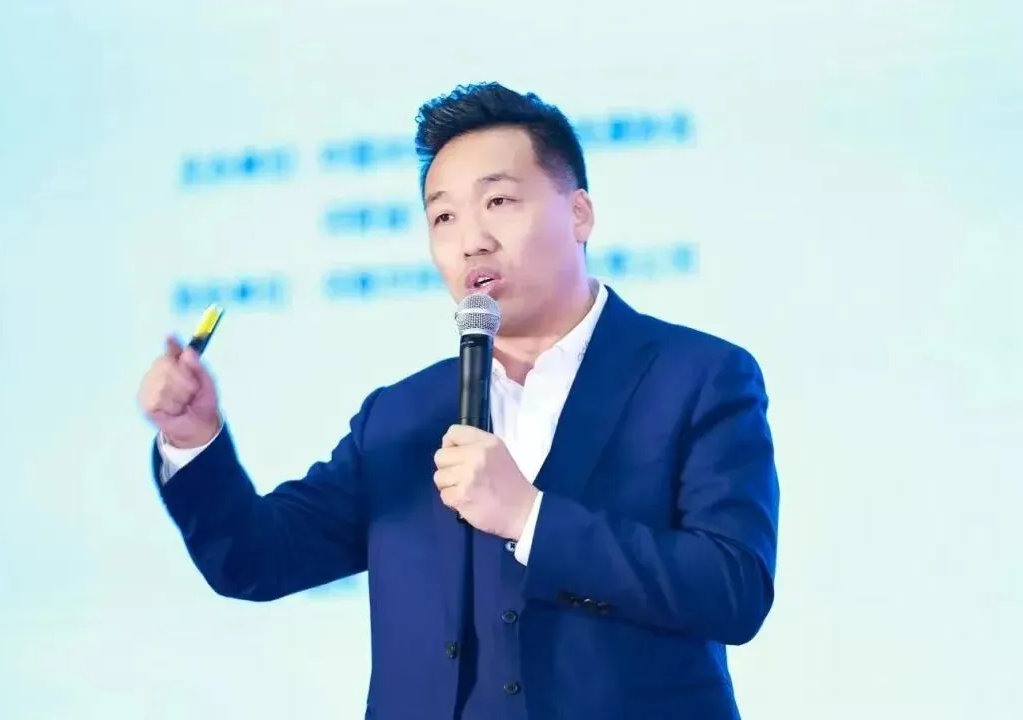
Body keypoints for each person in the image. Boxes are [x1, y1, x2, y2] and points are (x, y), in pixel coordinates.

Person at [138, 82, 780, 720]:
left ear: (580, 213)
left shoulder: (698, 375)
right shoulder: (400, 415)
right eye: (443, 217)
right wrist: (193, 441)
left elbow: (733, 588)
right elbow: (256, 559)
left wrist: (529, 517)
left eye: (498, 201)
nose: (472, 240)